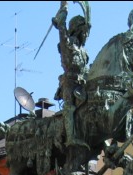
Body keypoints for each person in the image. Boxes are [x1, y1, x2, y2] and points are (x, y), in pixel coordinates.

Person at [53, 0, 91, 153]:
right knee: (70, 107)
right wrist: (64, 9)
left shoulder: (83, 50)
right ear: (77, 30)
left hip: (83, 82)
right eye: (83, 31)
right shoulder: (68, 44)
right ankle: (70, 137)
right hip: (69, 81)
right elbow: (62, 31)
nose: (86, 34)